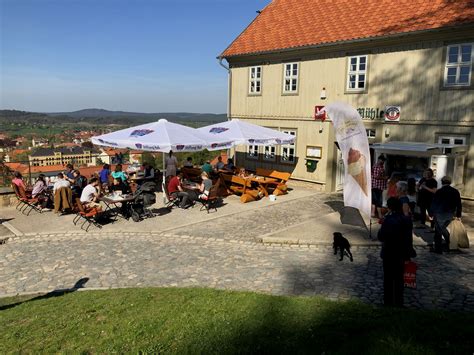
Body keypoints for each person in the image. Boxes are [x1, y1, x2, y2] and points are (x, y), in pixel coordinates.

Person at [378, 197, 414, 307]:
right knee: (399, 279)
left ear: (389, 207)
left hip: (389, 252)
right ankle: (399, 302)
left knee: (388, 279)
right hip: (402, 252)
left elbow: (381, 236)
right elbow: (409, 238)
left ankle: (388, 302)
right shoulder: (406, 219)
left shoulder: (388, 220)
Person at [430, 176, 462, 254]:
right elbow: (459, 204)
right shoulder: (455, 191)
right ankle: (448, 244)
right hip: (450, 214)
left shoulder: (439, 191)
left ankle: (438, 249)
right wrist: (458, 215)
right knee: (443, 228)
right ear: (450, 182)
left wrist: (431, 213)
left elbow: (434, 203)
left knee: (438, 231)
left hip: (439, 213)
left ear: (442, 182)